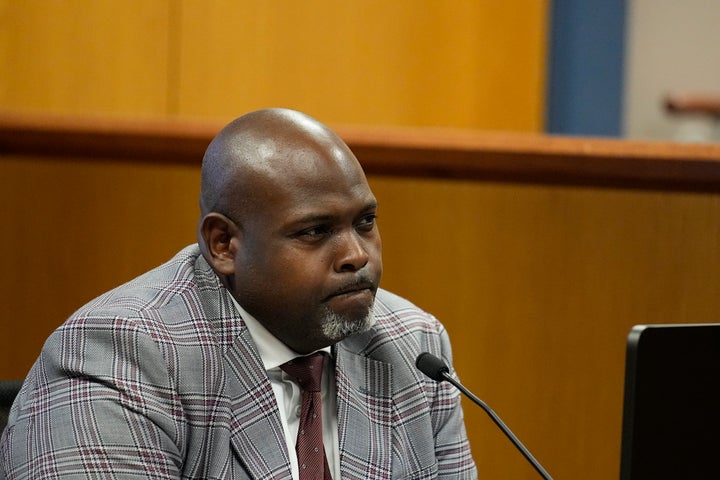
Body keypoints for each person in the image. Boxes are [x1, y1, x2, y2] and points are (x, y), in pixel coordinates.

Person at [0, 108, 477, 479]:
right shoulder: (120, 355)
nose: (356, 255)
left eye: (365, 222)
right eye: (314, 231)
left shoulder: (413, 348)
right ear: (224, 244)